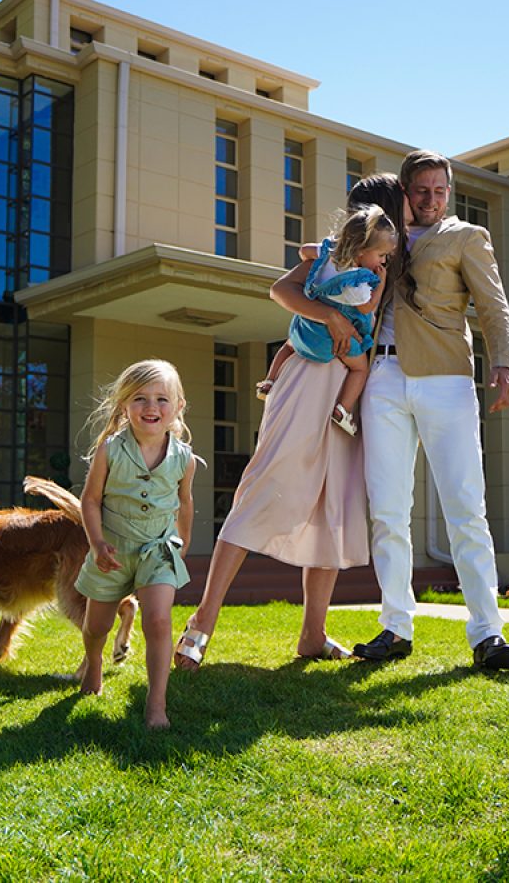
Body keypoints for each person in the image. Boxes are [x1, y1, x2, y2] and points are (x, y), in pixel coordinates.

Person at [271, 150, 509, 671]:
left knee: (465, 507)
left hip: (446, 381)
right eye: (421, 191)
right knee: (387, 510)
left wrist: (504, 365)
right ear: (404, 194)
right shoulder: (376, 237)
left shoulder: (465, 238)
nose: (430, 200)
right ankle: (395, 626)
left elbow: (494, 306)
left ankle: (488, 633)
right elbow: (322, 271)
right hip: (381, 379)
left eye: (439, 191)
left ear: (448, 194)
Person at [174, 175, 410, 670]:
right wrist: (332, 318)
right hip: (308, 377)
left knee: (334, 502)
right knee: (263, 486)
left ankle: (313, 633)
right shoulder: (328, 259)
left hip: (351, 391)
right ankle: (201, 624)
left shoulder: (394, 262)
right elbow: (282, 291)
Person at [77, 359, 199, 729]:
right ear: (124, 406)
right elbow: (90, 500)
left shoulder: (184, 459)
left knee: (160, 622)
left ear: (178, 407)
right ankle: (94, 662)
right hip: (111, 549)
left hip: (158, 550)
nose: (151, 407)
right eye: (140, 399)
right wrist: (97, 544)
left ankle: (156, 705)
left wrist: (183, 542)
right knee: (96, 626)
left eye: (162, 399)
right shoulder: (109, 451)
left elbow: (186, 501)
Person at [257, 203, 397, 435]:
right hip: (333, 342)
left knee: (287, 347)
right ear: (361, 251)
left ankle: (270, 380)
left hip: (305, 330)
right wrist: (380, 287)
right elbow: (366, 308)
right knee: (360, 369)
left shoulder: (326, 259)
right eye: (381, 255)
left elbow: (304, 250)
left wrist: (328, 250)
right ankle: (343, 409)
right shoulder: (357, 281)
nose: (382, 262)